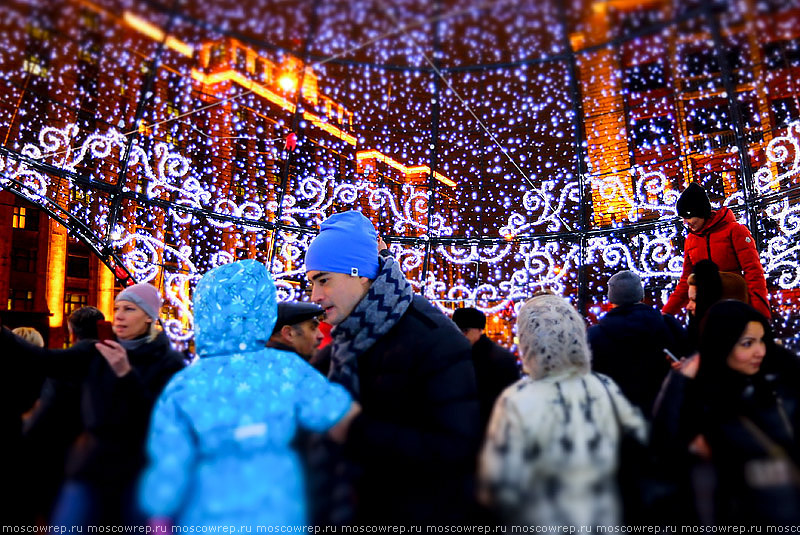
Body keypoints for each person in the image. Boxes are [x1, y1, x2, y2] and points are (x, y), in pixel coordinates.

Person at [139, 259, 358, 527]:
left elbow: (169, 463)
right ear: (263, 313)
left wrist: (159, 513)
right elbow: (339, 414)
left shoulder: (184, 386)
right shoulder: (285, 369)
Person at [305, 210, 481, 524]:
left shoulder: (434, 339)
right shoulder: (344, 341)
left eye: (323, 280)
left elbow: (456, 452)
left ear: (359, 274)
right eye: (312, 283)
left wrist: (356, 429)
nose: (315, 296)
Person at [0, 283, 185, 526]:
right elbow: (45, 360)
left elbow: (158, 418)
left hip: (139, 474)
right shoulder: (97, 349)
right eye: (117, 307)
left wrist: (125, 374)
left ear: (149, 317)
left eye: (129, 309)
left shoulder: (168, 362)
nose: (119, 315)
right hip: (91, 467)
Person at [478, 293, 647, 528]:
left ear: (527, 340)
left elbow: (500, 486)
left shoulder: (517, 399)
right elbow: (639, 441)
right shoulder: (604, 386)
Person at [652, 300, 800, 524]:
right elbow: (665, 446)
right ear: (723, 344)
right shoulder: (706, 397)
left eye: (761, 341)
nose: (759, 351)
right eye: (748, 344)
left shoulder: (773, 388)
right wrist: (680, 380)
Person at [24, 307, 105, 523]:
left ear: (72, 333)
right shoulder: (114, 361)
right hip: (99, 460)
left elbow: (45, 414)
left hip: (59, 456)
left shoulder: (66, 366)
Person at [588, 270, 688, 417]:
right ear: (641, 295)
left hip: (615, 414)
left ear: (611, 298)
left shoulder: (596, 335)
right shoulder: (668, 326)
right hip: (662, 412)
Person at [663, 182, 769, 319]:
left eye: (688, 216)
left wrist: (761, 314)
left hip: (735, 308)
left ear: (701, 212)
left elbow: (753, 272)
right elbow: (685, 280)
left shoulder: (734, 231)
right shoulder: (690, 240)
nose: (685, 222)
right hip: (707, 313)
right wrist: (666, 313)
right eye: (683, 218)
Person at [452, 306, 519, 431]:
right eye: (457, 331)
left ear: (479, 330)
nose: (461, 335)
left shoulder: (499, 358)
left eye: (465, 330)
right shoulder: (456, 355)